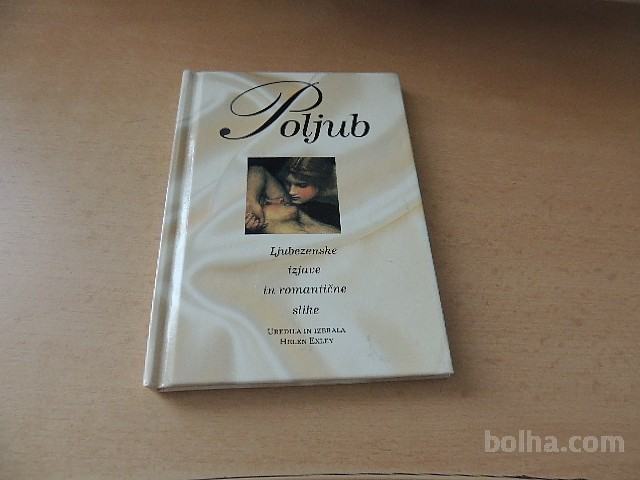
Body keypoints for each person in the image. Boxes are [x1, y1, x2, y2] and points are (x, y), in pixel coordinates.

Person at [245, 157, 341, 234]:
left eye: (301, 185)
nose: (280, 199)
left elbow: (258, 170)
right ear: (258, 222)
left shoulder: (303, 223)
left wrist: (251, 201)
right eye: (267, 203)